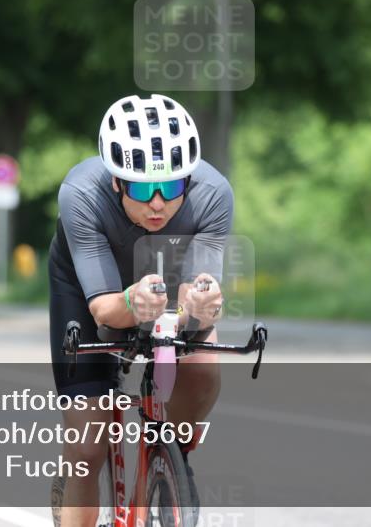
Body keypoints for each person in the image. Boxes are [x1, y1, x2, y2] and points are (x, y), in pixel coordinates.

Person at [48, 94, 231, 527]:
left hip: (165, 275)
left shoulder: (213, 194)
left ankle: (171, 460)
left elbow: (197, 291)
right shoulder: (81, 194)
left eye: (170, 188)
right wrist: (131, 303)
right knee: (87, 447)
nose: (157, 203)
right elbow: (106, 310)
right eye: (142, 188)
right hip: (90, 288)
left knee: (203, 364)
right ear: (116, 182)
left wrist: (200, 308)